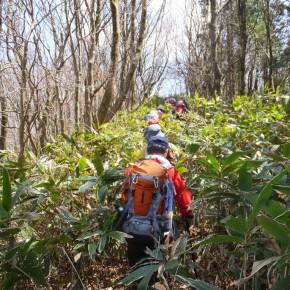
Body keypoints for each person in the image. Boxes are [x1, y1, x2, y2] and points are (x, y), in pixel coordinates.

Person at [121, 136, 193, 268]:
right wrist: (188, 216)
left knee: (136, 269)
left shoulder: (133, 170)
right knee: (161, 265)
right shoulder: (170, 172)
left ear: (147, 151)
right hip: (161, 232)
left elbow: (124, 197)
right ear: (166, 152)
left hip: (132, 228)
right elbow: (185, 199)